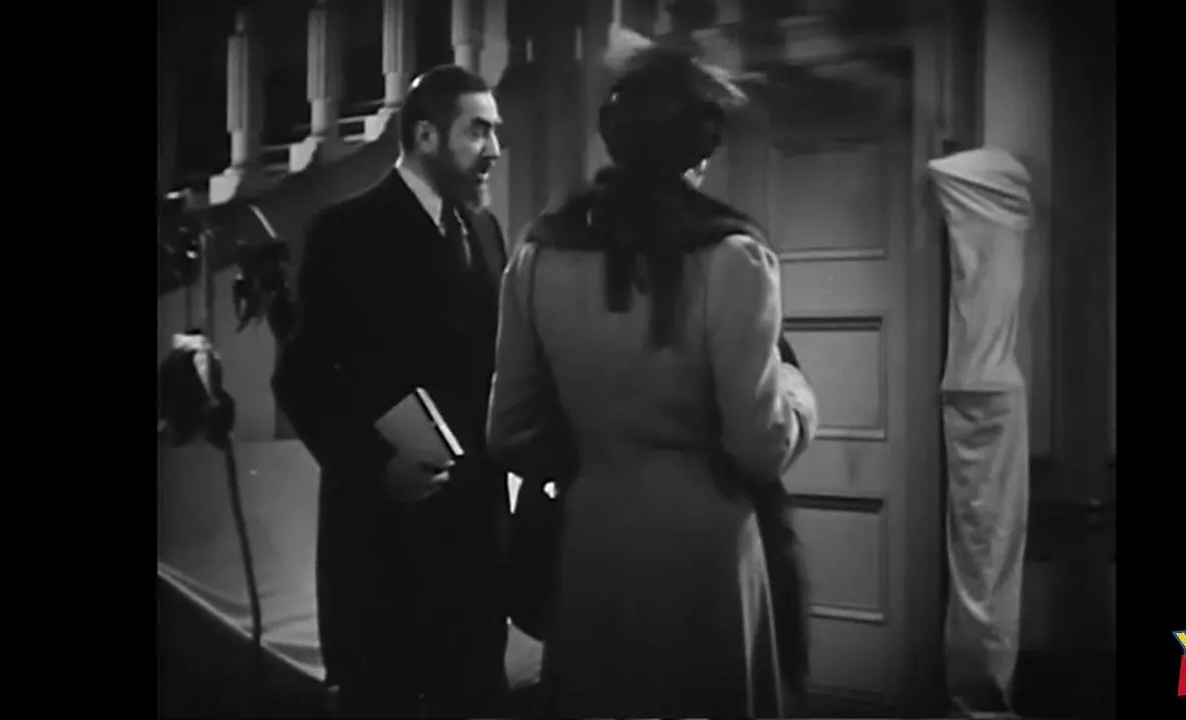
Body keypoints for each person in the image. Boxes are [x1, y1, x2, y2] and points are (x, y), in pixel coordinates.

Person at [486, 37, 819, 718]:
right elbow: (759, 447)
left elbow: (511, 432)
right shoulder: (733, 259)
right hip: (707, 555)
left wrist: (593, 458)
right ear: (700, 152)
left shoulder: (538, 258)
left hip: (593, 543)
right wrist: (796, 390)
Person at [272, 65, 510, 718]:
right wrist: (376, 467)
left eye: (495, 131)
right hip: (382, 546)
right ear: (426, 136)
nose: (494, 149)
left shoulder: (486, 232)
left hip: (473, 547)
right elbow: (301, 377)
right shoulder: (347, 229)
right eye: (478, 131)